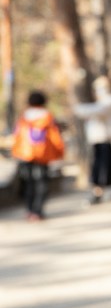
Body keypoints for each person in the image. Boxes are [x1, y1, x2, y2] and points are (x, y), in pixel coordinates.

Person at [11, 90, 65, 221]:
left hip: (25, 154)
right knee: (42, 183)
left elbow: (17, 135)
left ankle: (29, 210)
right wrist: (59, 152)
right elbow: (55, 136)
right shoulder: (47, 116)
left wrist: (16, 151)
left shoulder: (24, 117)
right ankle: (38, 211)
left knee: (28, 183)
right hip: (43, 155)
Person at [74, 76, 111, 204]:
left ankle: (98, 191)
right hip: (98, 139)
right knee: (107, 165)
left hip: (104, 138)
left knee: (102, 167)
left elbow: (98, 111)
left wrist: (79, 108)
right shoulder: (104, 101)